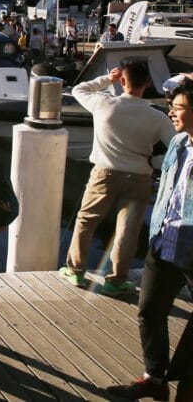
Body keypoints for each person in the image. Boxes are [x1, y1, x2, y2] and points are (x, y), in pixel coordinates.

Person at [106, 78, 192, 400]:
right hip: (165, 240)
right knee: (149, 311)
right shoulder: (178, 143)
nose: (171, 112)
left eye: (179, 107)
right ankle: (154, 378)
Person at [63, 57, 175, 294]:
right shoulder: (158, 117)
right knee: (127, 230)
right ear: (147, 83)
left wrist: (107, 78)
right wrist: (154, 161)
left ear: (123, 80)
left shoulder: (104, 103)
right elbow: (178, 148)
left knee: (86, 221)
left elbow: (79, 88)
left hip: (104, 173)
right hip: (139, 177)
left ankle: (76, 271)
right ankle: (116, 280)